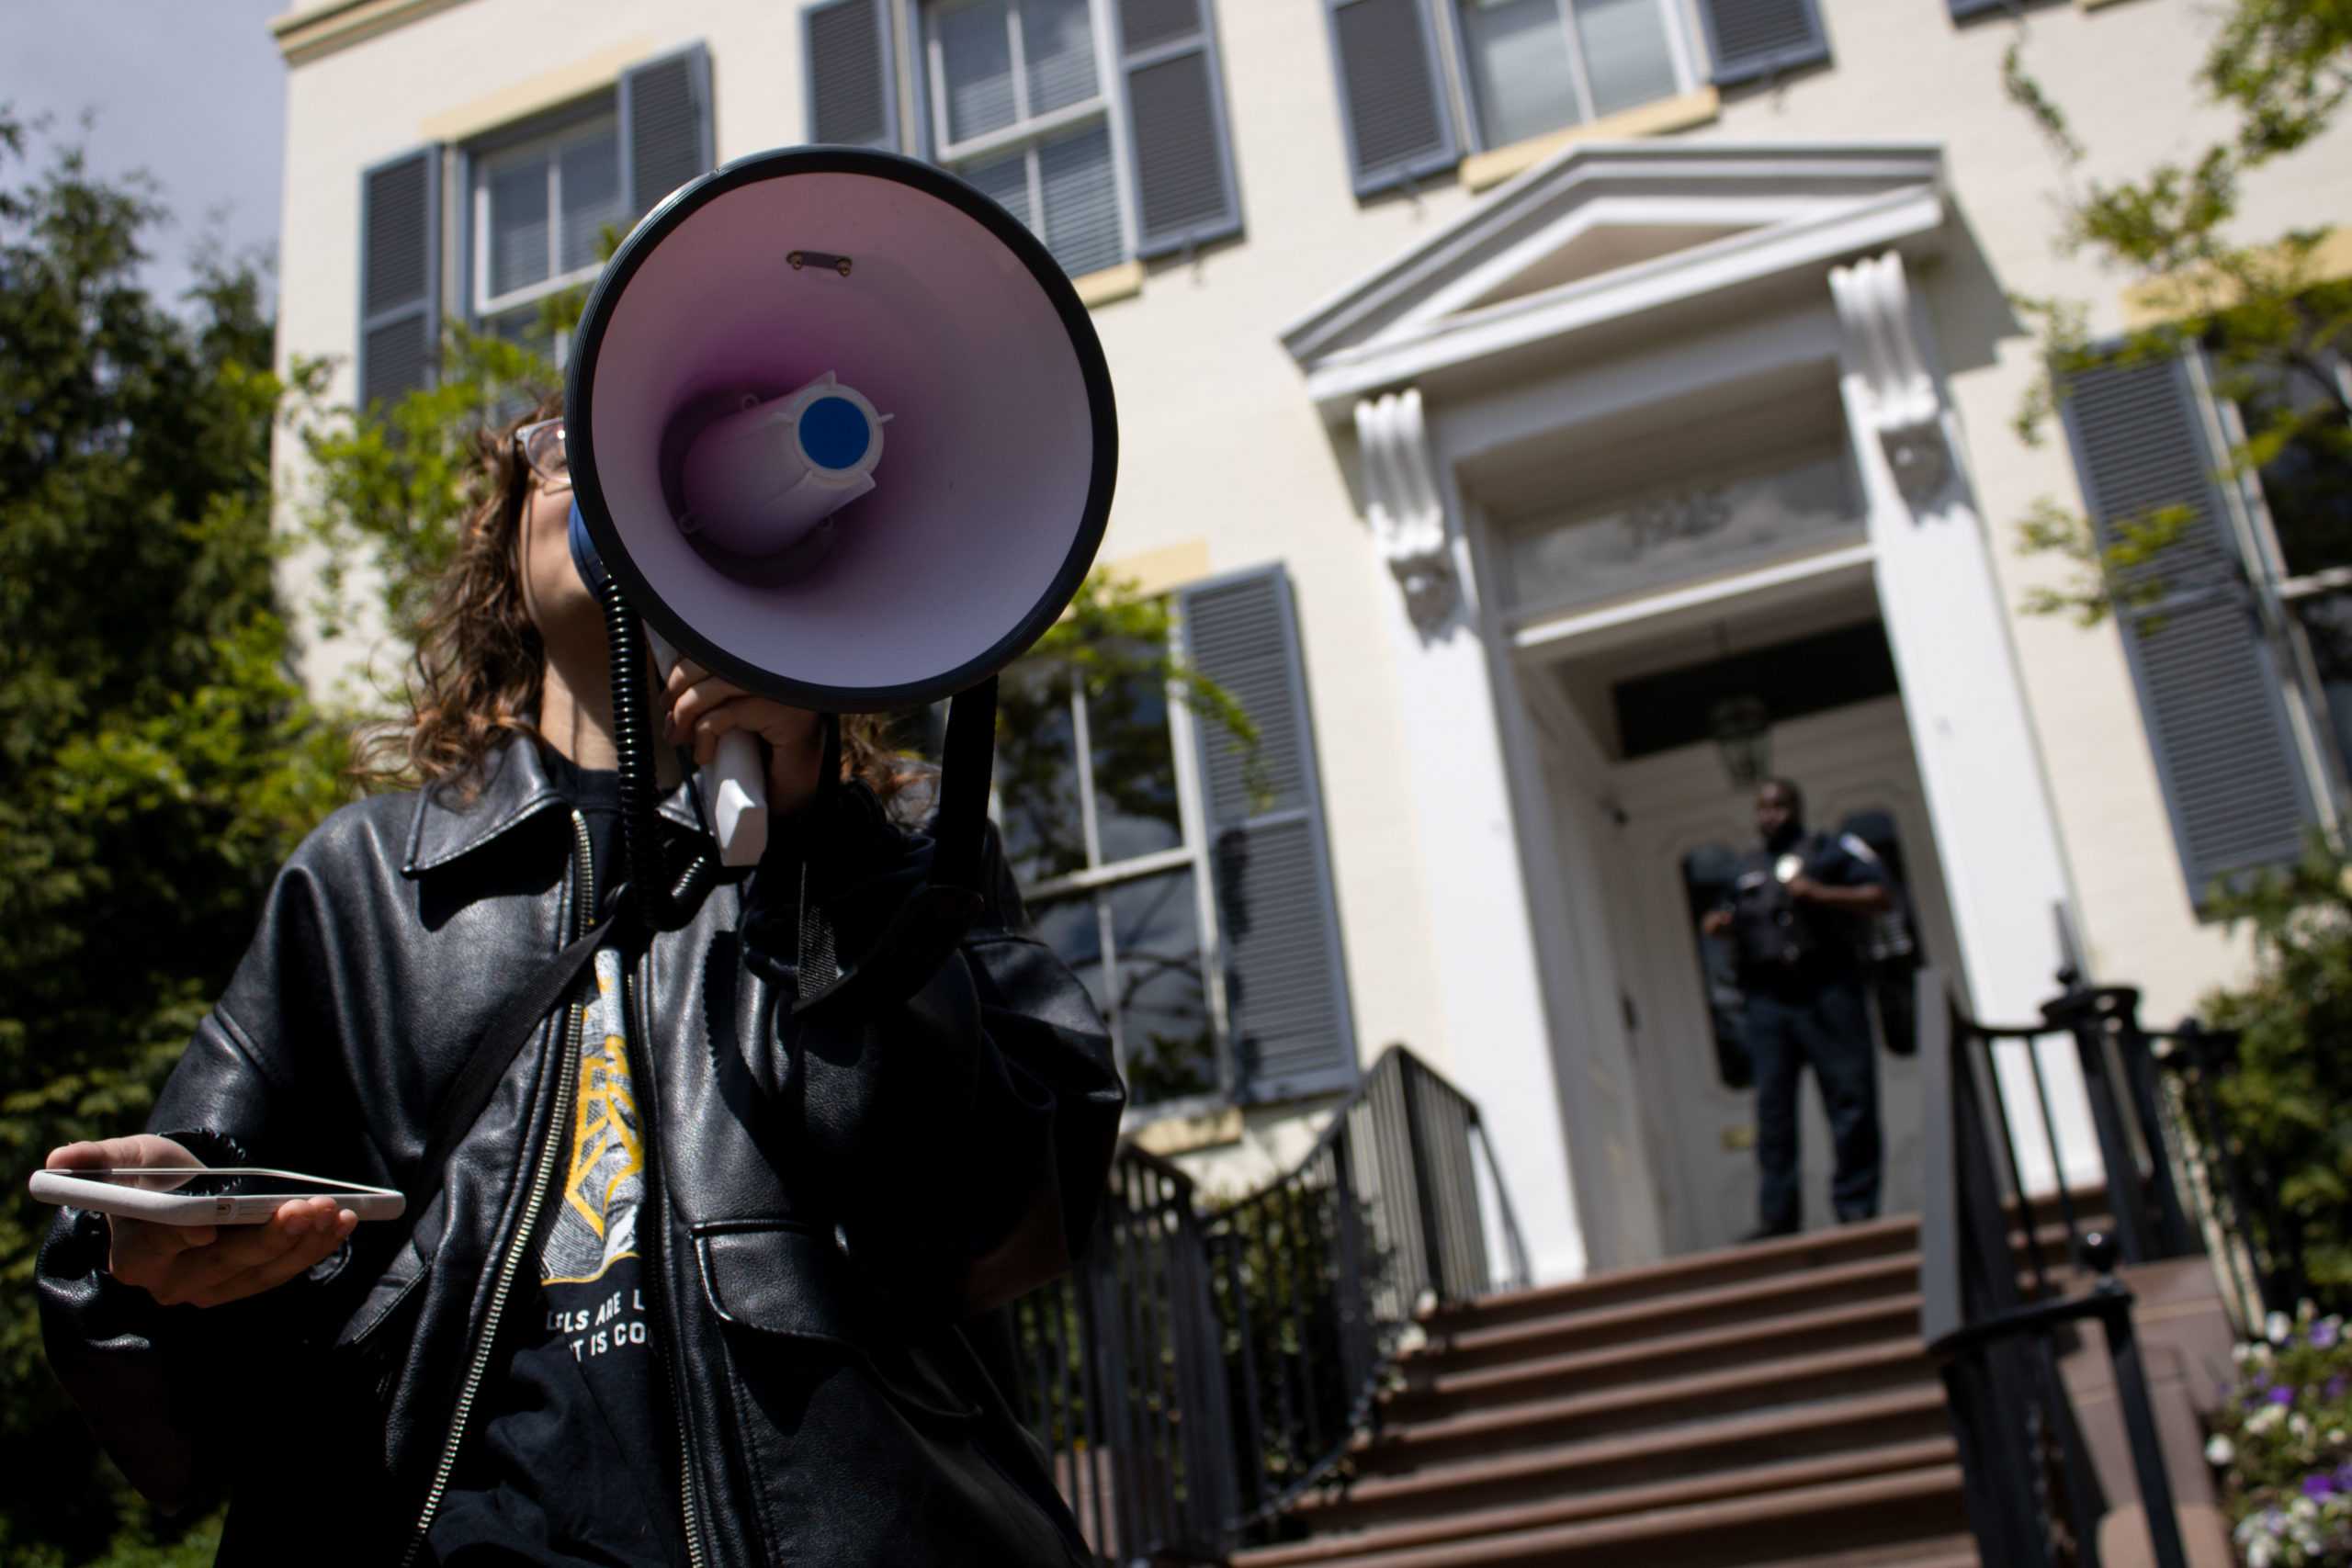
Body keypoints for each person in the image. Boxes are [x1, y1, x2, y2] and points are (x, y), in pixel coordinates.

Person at [37, 397, 1125, 1566]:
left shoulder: (901, 852)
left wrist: (824, 855)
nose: (610, 468)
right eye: (567, 440)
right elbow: (189, 1414)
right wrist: (148, 1263)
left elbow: (1002, 1219)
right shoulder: (368, 883)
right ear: (506, 546)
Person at [1700, 776, 1891, 1242]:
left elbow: (1880, 895)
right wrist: (1719, 924)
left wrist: (1820, 894)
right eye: (1763, 808)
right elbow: (1714, 914)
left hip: (1828, 988)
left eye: (1780, 806)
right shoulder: (1745, 867)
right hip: (1769, 1000)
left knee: (1850, 1100)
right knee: (1774, 1113)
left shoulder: (1832, 850)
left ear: (1797, 807)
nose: (1771, 816)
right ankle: (1777, 1219)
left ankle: (1856, 1209)